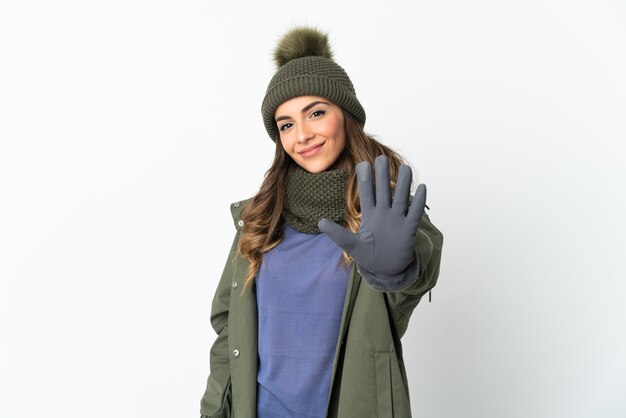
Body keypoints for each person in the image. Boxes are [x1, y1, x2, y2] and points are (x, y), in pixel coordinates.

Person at [199, 25, 444, 418]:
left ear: (345, 114)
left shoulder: (385, 209)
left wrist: (398, 269)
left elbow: (422, 268)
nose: (303, 135)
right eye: (286, 124)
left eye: (316, 113)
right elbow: (229, 331)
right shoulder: (259, 219)